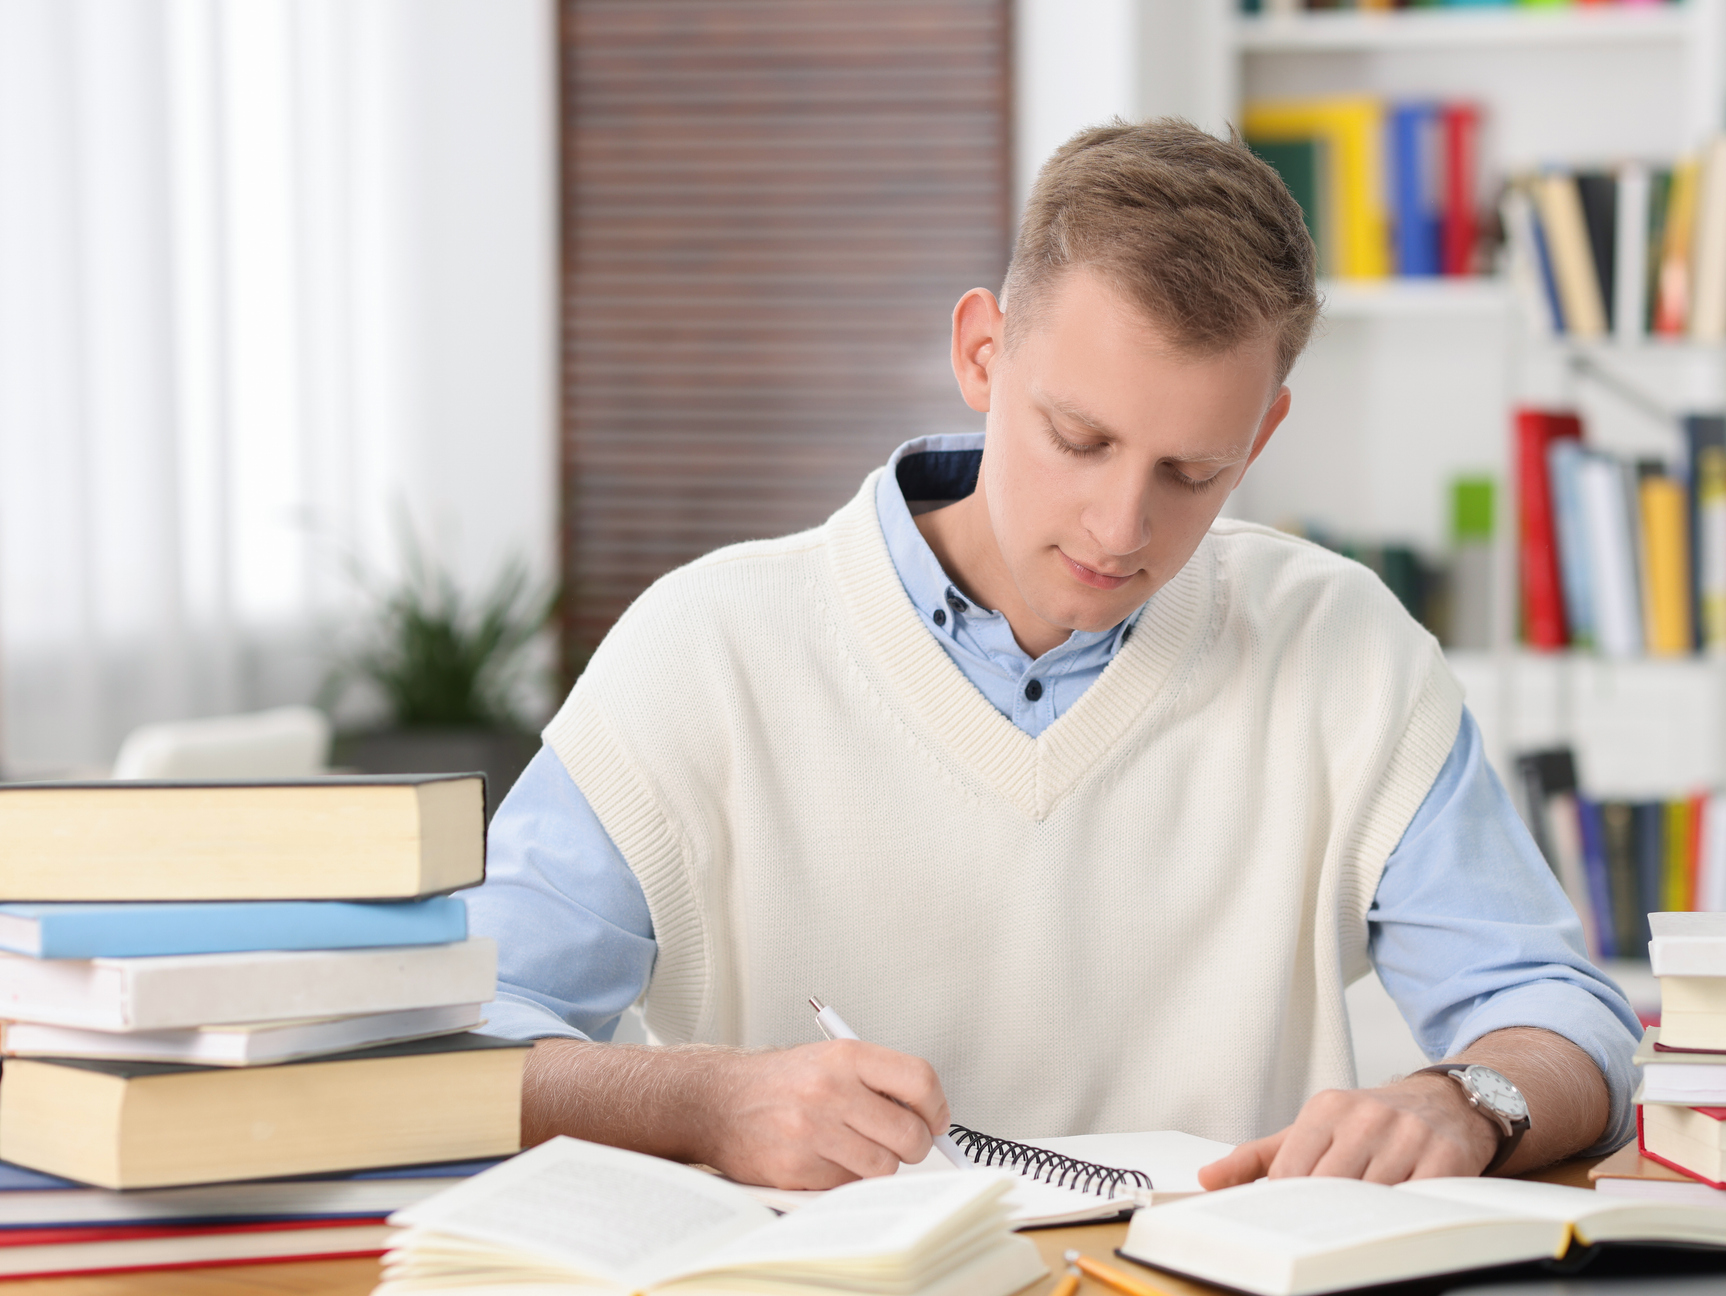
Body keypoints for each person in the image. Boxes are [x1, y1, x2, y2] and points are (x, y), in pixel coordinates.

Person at [468, 119, 1641, 1193]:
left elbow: (1558, 1015)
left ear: (1264, 431)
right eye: (1079, 439)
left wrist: (1466, 1099)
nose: (1119, 528)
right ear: (981, 353)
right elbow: (454, 1039)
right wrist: (705, 1104)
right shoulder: (702, 647)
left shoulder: (1346, 650)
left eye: (1192, 472)